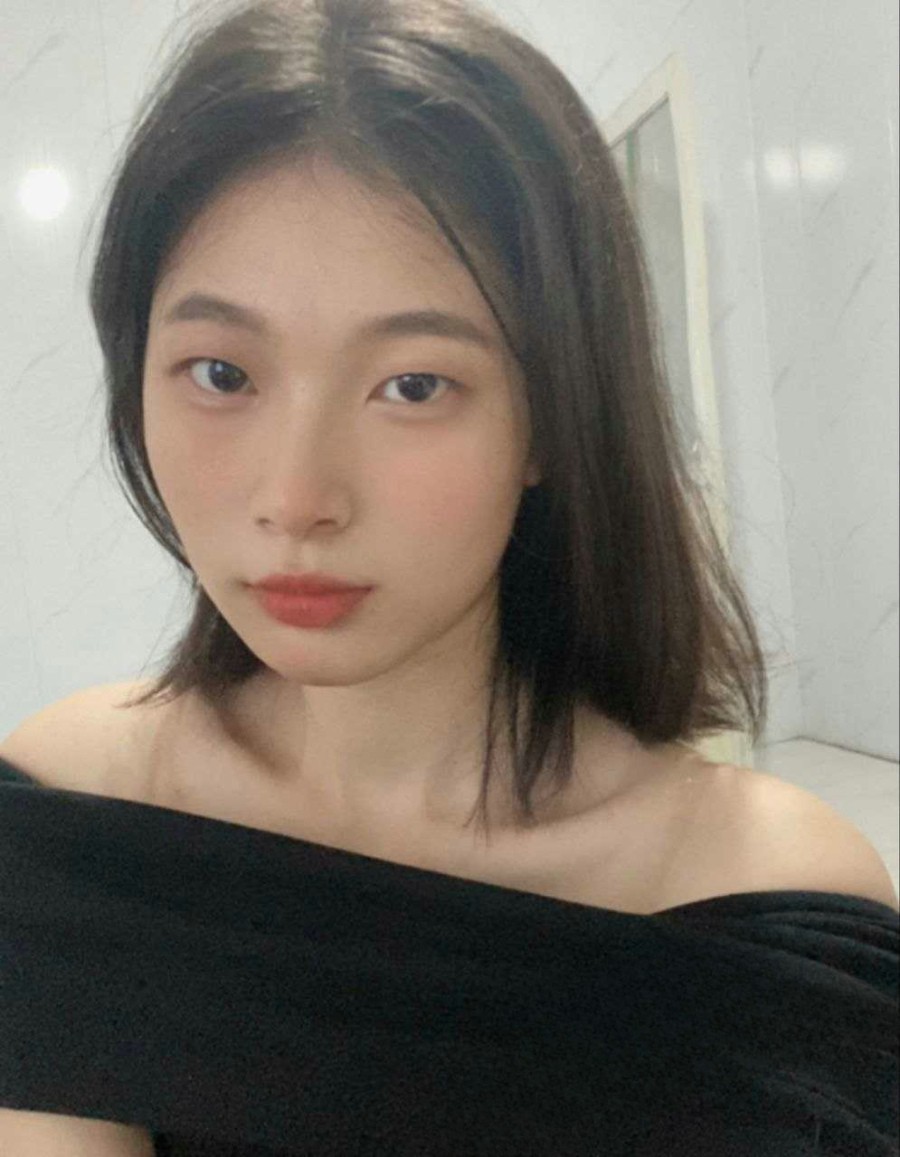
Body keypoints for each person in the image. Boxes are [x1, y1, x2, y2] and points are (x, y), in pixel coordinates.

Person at [1, 0, 897, 1153]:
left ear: (551, 419)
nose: (296, 495)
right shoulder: (73, 818)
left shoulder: (767, 915)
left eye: (414, 385)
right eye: (219, 371)